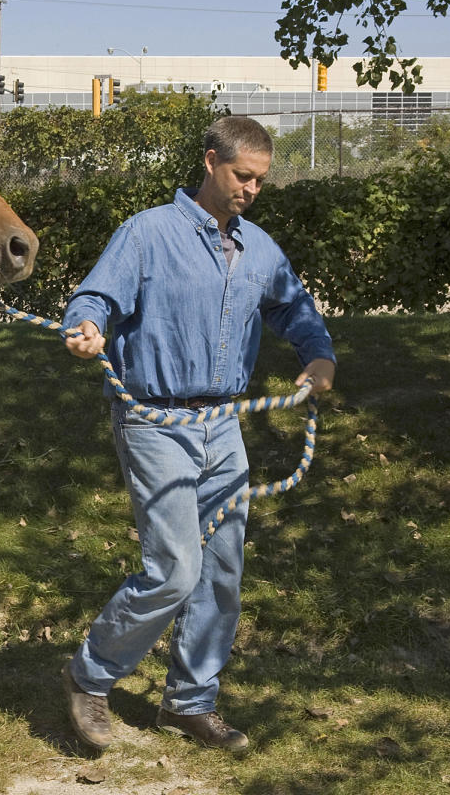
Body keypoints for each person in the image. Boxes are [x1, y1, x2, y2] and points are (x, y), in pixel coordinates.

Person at [60, 116, 337, 753]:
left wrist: (317, 353)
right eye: (243, 176)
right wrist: (86, 329)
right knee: (175, 568)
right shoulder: (147, 233)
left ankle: (190, 701)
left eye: (261, 181)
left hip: (223, 425)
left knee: (221, 571)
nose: (252, 189)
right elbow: (96, 297)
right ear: (211, 162)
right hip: (155, 419)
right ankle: (89, 676)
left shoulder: (260, 247)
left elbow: (294, 307)